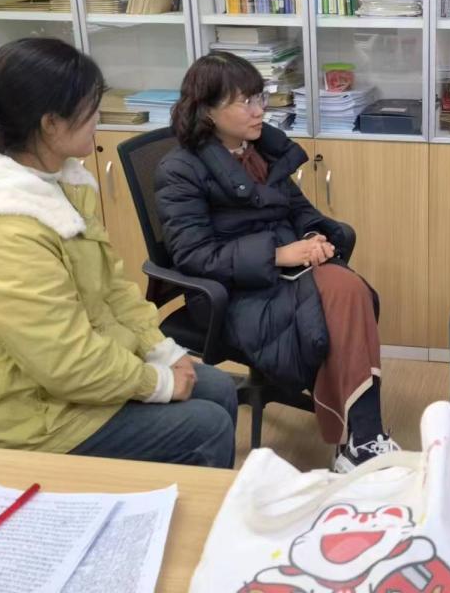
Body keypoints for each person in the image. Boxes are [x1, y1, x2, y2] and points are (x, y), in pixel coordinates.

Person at [0, 37, 237, 468]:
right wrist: (156, 383)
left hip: (69, 380)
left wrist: (162, 352)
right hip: (26, 416)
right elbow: (65, 363)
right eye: (91, 109)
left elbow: (112, 289)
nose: (98, 119)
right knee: (206, 426)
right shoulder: (0, 232)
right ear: (51, 123)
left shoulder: (58, 183)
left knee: (216, 387)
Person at [154, 52, 397, 472]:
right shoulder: (179, 170)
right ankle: (361, 438)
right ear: (207, 111)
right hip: (230, 290)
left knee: (346, 295)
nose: (259, 110)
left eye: (260, 97)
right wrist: (277, 254)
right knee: (345, 294)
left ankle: (359, 439)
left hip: (284, 273)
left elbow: (298, 209)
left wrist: (313, 238)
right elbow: (193, 255)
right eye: (245, 102)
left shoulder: (261, 148)